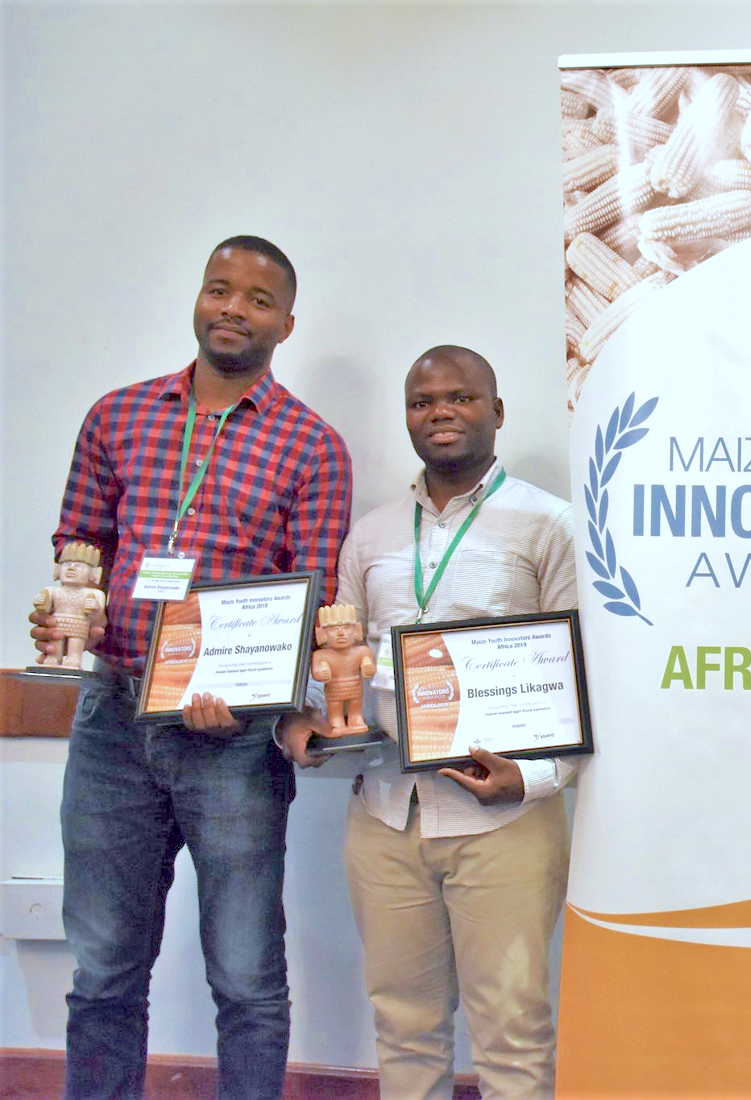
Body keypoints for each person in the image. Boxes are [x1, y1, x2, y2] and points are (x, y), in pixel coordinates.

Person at [34, 236, 352, 1099]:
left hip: (233, 742)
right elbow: (81, 543)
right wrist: (64, 615)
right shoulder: (118, 415)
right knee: (102, 969)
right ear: (199, 298)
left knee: (247, 979)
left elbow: (311, 597)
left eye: (256, 300)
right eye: (220, 289)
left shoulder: (312, 446)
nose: (232, 309)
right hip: (113, 723)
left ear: (285, 323)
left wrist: (254, 696)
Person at [280, 345, 579, 1098]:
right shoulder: (373, 534)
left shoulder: (551, 526)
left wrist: (538, 778)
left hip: (503, 820)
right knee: (403, 1025)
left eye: (461, 397)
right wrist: (307, 727)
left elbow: (582, 675)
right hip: (385, 817)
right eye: (422, 403)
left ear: (497, 412)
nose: (440, 412)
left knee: (513, 1028)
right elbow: (337, 650)